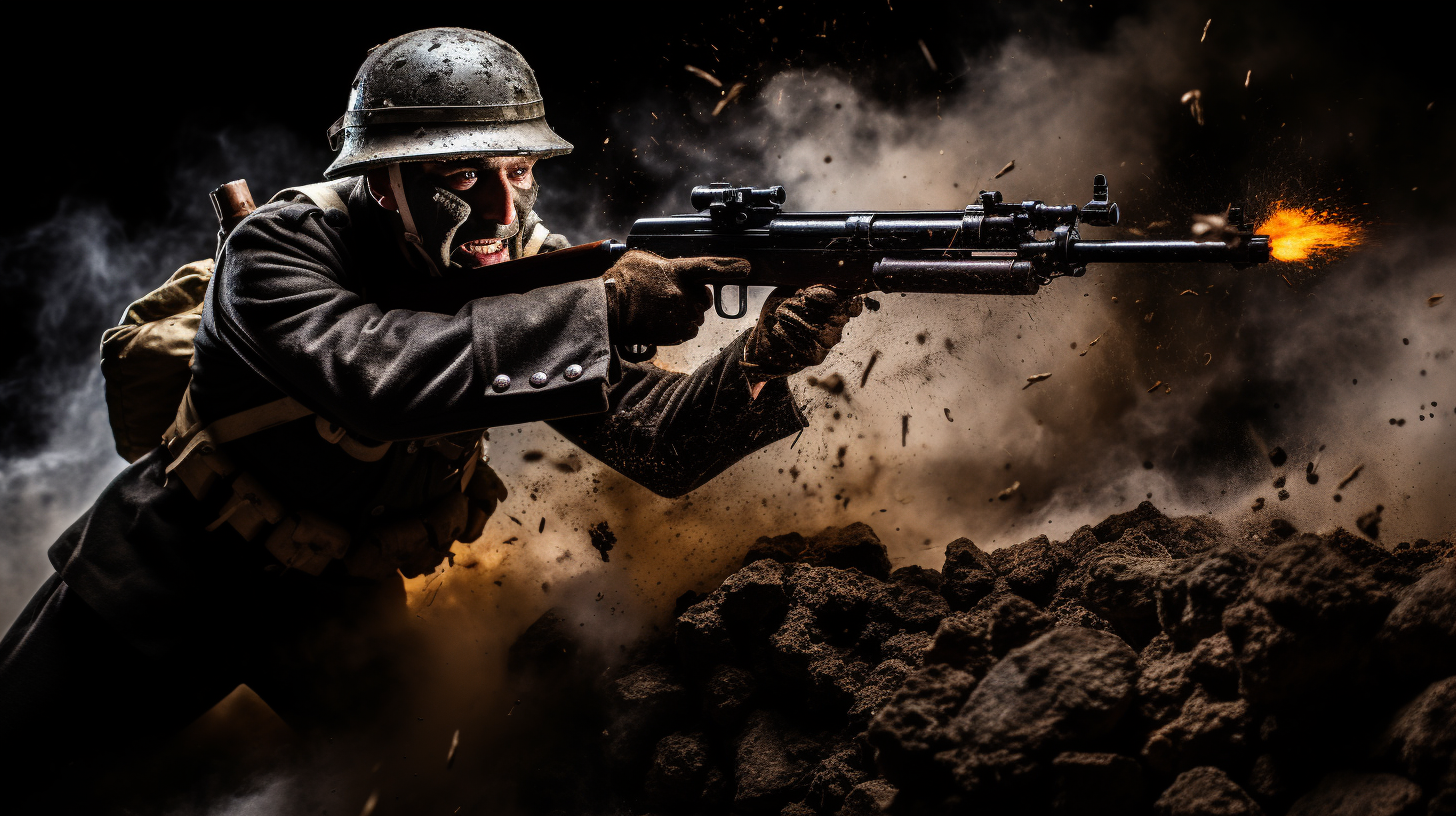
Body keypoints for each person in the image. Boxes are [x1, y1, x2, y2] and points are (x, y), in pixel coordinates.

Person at [0, 27, 860, 799]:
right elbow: (378, 379)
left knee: (420, 779)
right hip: (173, 571)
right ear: (382, 180)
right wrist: (604, 309)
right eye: (460, 173)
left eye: (517, 172)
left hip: (343, 600)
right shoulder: (279, 249)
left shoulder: (529, 266)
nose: (500, 207)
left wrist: (758, 360)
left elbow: (657, 444)